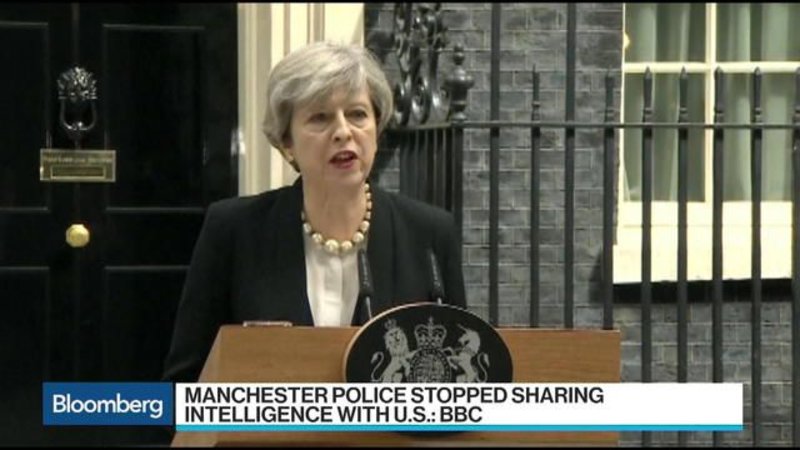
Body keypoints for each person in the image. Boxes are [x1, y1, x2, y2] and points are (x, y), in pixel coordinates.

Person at [162, 41, 466, 384]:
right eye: (320, 118)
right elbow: (183, 382)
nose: (343, 132)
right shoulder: (233, 231)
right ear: (286, 143)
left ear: (377, 129)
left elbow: (463, 379)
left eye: (357, 114)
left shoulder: (430, 233)